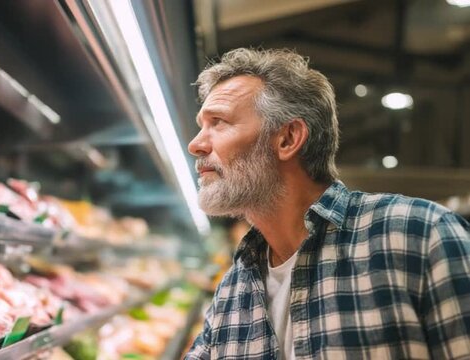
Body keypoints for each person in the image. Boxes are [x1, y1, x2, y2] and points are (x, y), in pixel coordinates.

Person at [185, 48, 470, 359]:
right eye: (202, 125)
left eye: (219, 122)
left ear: (288, 139)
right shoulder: (232, 291)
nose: (196, 144)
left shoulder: (420, 236)